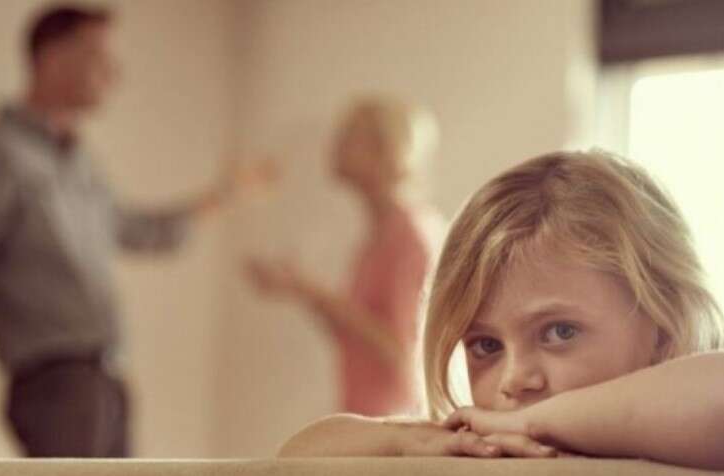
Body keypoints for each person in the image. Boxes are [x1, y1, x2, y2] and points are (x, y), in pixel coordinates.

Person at [0, 4, 272, 457]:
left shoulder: (81, 164)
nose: (114, 73)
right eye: (98, 57)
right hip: (55, 383)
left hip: (105, 379)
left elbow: (137, 230)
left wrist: (223, 196)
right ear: (52, 58)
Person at [276, 150, 724, 470]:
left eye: (559, 332)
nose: (513, 380)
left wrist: (532, 422)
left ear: (664, 330)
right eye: (486, 346)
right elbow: (295, 457)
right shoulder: (486, 450)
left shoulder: (691, 444)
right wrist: (405, 438)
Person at [246, 96, 442, 417]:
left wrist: (310, 291)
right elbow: (355, 335)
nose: (335, 144)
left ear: (386, 150)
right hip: (367, 416)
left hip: (391, 422)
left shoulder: (410, 237)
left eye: (351, 135)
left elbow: (402, 350)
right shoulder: (379, 234)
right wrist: (299, 289)